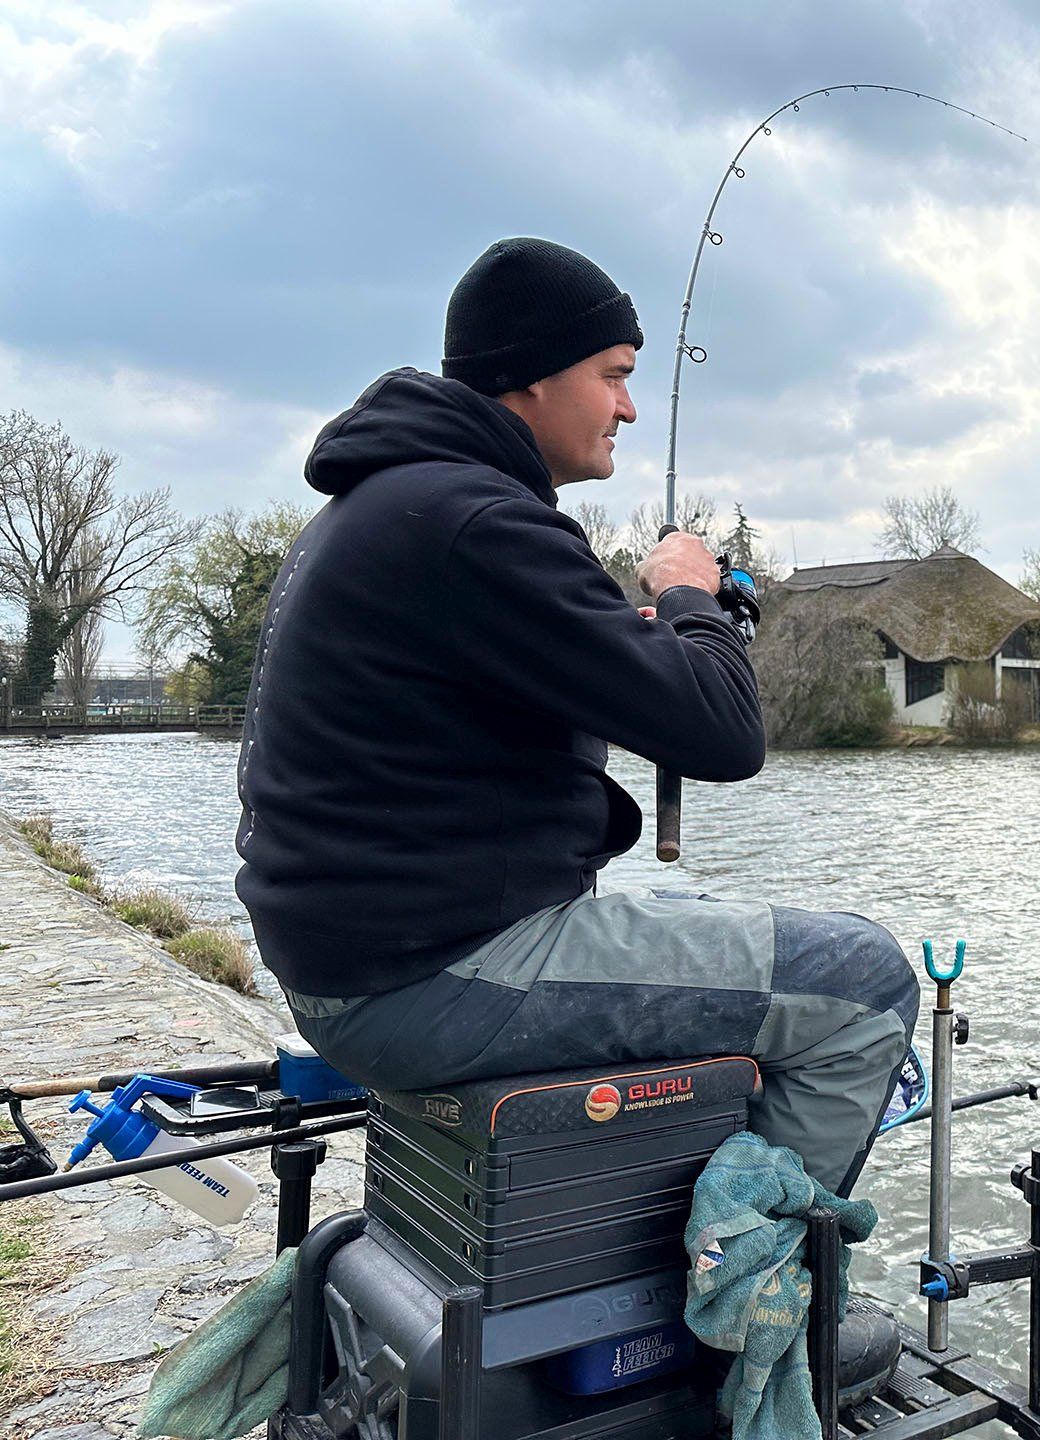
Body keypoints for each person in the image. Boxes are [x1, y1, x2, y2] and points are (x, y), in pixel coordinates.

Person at [233, 237, 919, 1206]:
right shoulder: (480, 523)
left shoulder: (400, 503)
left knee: (730, 945)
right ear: (532, 379)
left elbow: (498, 690)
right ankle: (748, 1301)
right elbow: (725, 731)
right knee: (863, 987)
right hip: (427, 983)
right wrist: (689, 598)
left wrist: (639, 637)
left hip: (354, 967)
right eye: (613, 377)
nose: (630, 408)